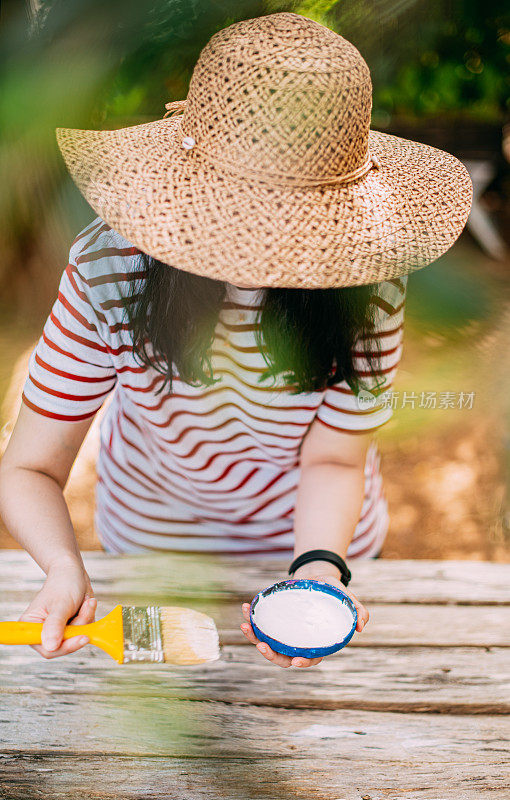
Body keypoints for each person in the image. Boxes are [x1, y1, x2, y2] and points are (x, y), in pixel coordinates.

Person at [0, 13, 471, 669]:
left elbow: (334, 461)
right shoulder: (110, 266)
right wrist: (59, 567)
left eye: (298, 220)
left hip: (320, 540)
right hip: (152, 545)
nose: (270, 249)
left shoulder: (371, 281)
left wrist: (318, 575)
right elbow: (28, 468)